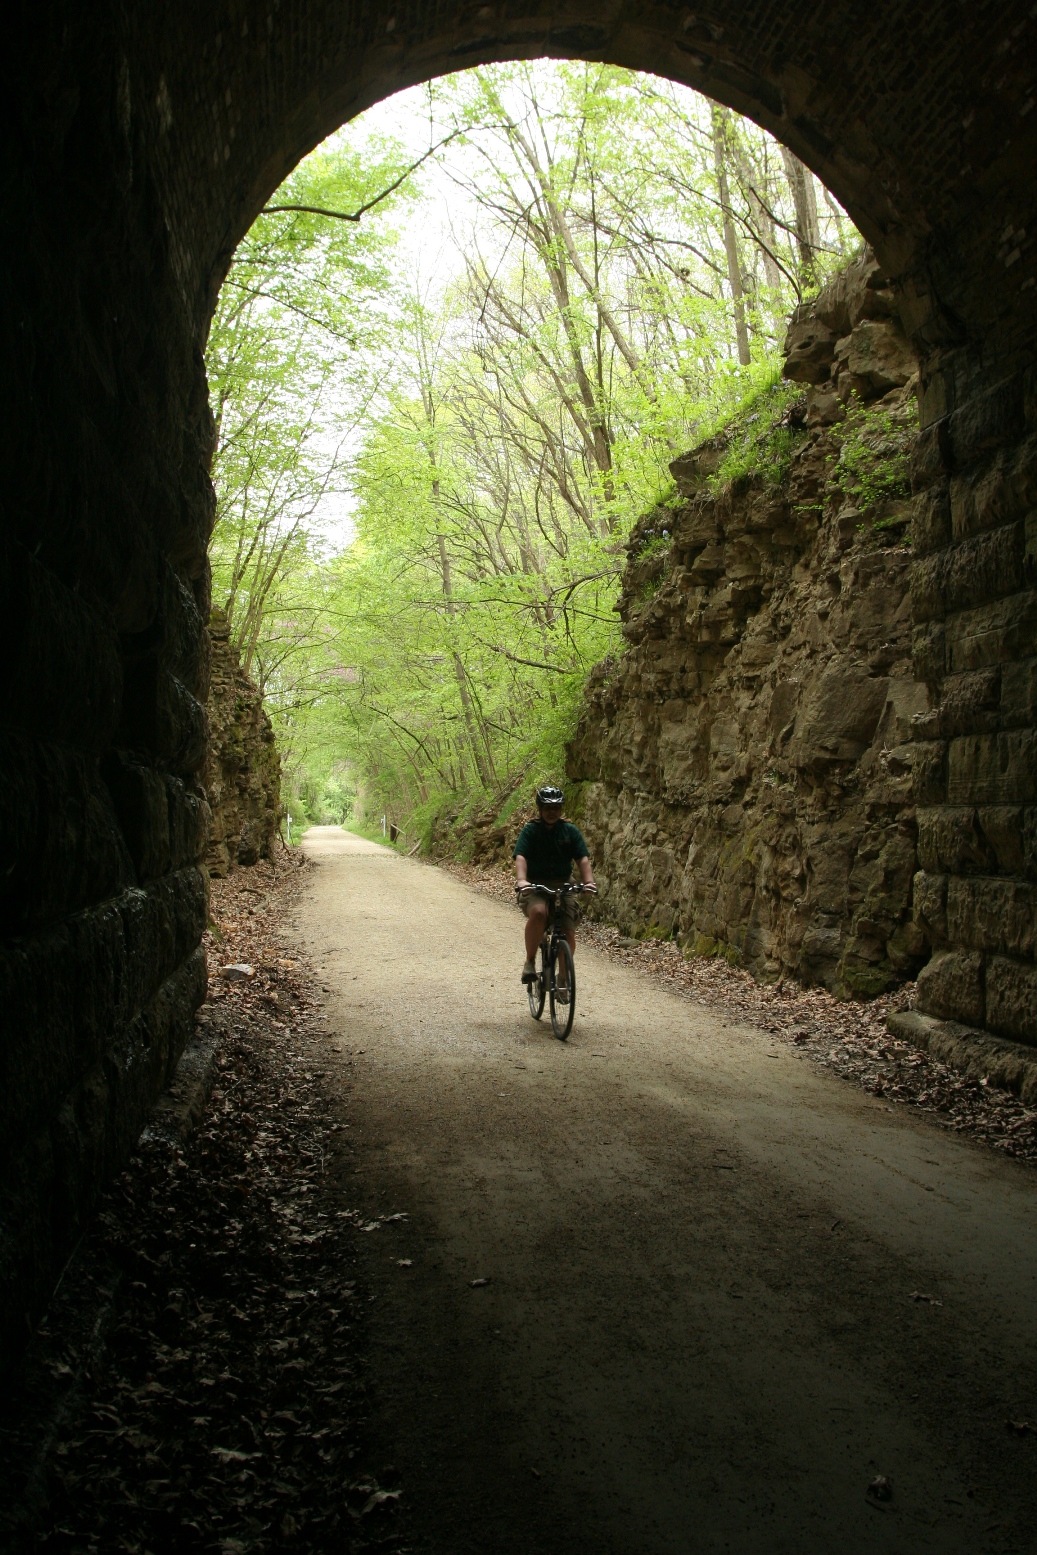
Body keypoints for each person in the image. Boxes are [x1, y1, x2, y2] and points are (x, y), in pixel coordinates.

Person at [514, 785, 596, 998]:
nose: (552, 812)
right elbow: (521, 856)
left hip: (564, 883)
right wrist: (522, 880)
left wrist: (588, 882)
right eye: (548, 807)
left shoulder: (570, 831)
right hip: (536, 884)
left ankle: (562, 978)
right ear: (540, 809)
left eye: (557, 808)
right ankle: (530, 962)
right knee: (539, 912)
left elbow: (582, 859)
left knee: (567, 931)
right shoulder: (530, 830)